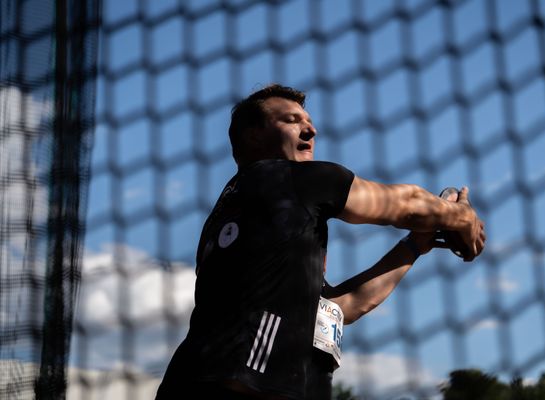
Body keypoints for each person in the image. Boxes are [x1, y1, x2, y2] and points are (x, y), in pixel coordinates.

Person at [155, 84, 485, 399]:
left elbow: (342, 306)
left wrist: (415, 246)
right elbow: (407, 205)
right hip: (242, 389)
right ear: (252, 135)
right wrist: (464, 218)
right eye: (291, 120)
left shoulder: (242, 212)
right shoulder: (289, 179)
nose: (310, 130)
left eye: (310, 122)